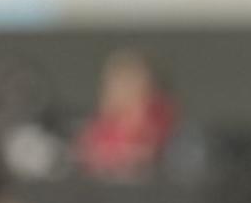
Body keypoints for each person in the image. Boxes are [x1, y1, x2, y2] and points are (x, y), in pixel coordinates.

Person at [72, 47, 177, 177]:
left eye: (128, 82)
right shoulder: (99, 128)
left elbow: (145, 153)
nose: (119, 91)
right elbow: (85, 153)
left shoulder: (159, 122)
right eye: (114, 84)